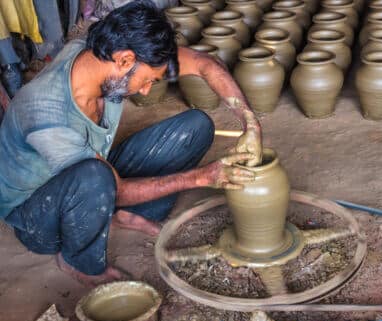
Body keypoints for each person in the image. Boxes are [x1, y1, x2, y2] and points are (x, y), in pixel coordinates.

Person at [0, 0, 263, 287]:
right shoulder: (46, 113)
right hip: (37, 215)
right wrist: (203, 177)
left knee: (196, 127)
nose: (147, 89)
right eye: (148, 79)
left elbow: (204, 64)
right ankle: (79, 261)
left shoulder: (100, 53)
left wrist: (250, 123)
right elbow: (117, 189)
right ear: (125, 60)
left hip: (91, 171)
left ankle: (116, 214)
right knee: (95, 178)